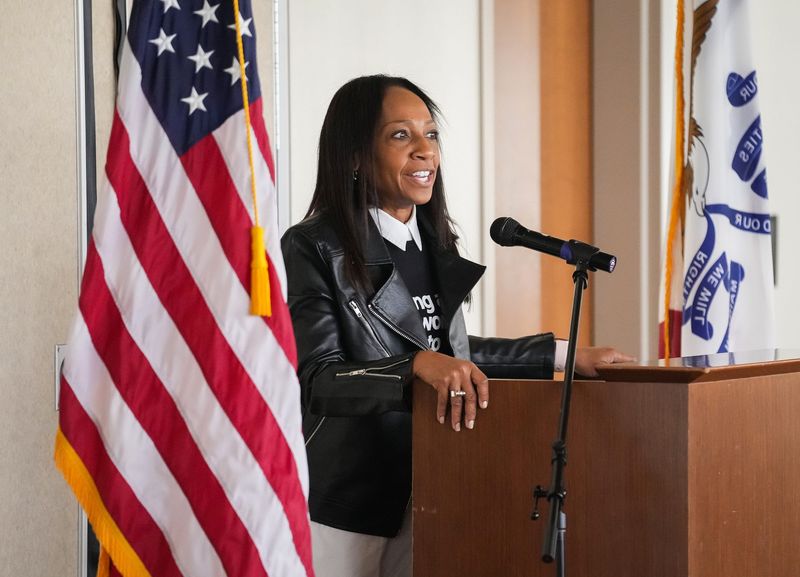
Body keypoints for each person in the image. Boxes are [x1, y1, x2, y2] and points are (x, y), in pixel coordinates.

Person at [281, 74, 633, 577]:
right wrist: (414, 366)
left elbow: (452, 355)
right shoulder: (315, 245)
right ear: (355, 156)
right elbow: (319, 380)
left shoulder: (432, 241)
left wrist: (566, 354)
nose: (424, 150)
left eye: (430, 134)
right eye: (400, 135)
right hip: (349, 499)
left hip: (434, 480)